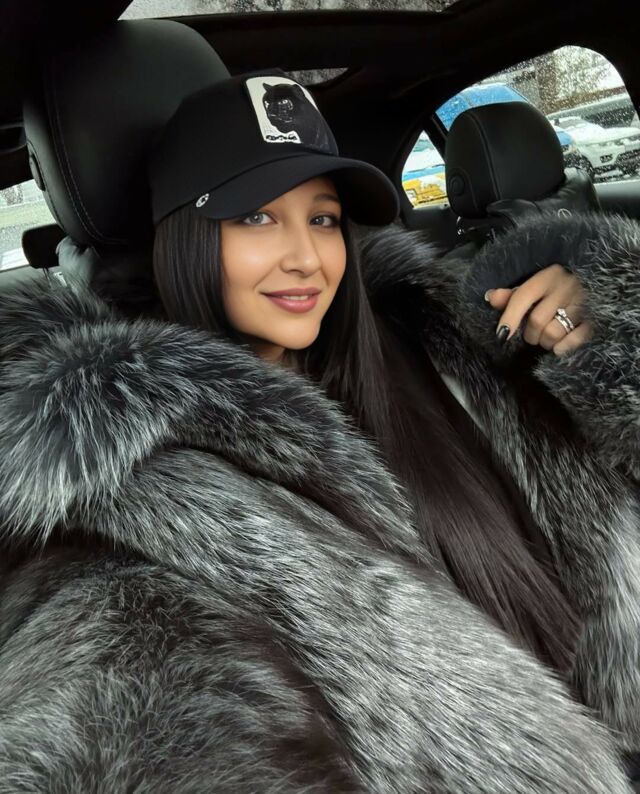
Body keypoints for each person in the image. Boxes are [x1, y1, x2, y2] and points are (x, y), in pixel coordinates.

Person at [0, 72, 639, 793]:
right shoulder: (130, 490)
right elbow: (119, 704)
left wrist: (607, 337)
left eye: (325, 219)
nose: (306, 256)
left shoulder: (448, 344)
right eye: (256, 217)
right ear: (185, 236)